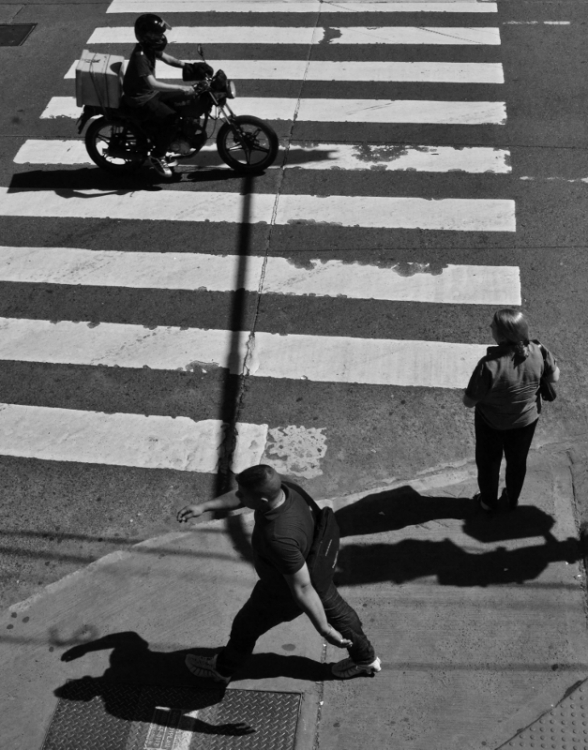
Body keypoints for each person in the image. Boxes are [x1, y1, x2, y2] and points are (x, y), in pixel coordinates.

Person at [177, 465, 381, 682]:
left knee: (244, 628)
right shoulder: (286, 487)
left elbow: (302, 588)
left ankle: (222, 669)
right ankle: (365, 659)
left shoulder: (279, 537)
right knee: (341, 614)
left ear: (262, 501)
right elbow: (244, 496)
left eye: (243, 494)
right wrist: (205, 506)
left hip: (280, 592)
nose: (239, 497)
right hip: (316, 564)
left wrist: (324, 630)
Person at [463, 309, 560, 512]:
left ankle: (488, 502)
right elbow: (554, 378)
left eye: (493, 326)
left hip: (491, 424)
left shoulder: (488, 365)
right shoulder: (539, 350)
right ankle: (512, 499)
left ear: (502, 335)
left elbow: (469, 402)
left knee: (489, 463)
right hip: (526, 421)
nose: (489, 327)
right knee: (517, 462)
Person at [122, 14, 211, 178]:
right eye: (156, 34)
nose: (160, 37)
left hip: (150, 94)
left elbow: (166, 58)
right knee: (171, 119)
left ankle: (171, 140)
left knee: (180, 104)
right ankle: (158, 155)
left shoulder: (149, 48)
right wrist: (182, 88)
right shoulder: (140, 56)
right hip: (141, 99)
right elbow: (152, 83)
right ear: (147, 36)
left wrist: (189, 66)